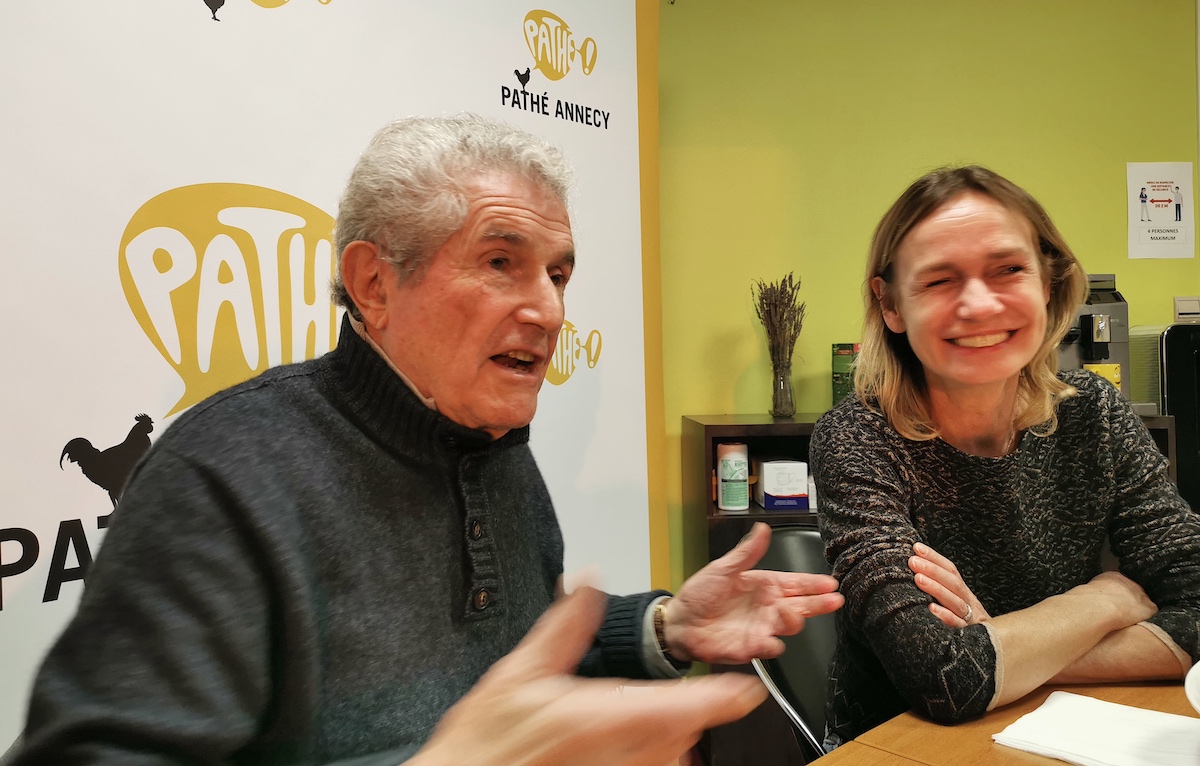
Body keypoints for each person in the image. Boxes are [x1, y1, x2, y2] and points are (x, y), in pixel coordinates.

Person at [11, 115, 844, 766]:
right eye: (500, 262)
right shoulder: (221, 480)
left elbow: (517, 661)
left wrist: (664, 628)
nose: (550, 310)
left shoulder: (494, 447)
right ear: (374, 282)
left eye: (558, 272)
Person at [810, 165, 1200, 747]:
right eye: (939, 280)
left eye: (1008, 269)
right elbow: (942, 678)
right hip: (904, 748)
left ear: (1047, 282)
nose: (979, 304)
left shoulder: (1094, 412)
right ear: (891, 305)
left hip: (1074, 733)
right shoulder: (859, 439)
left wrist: (1003, 642)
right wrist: (1106, 598)